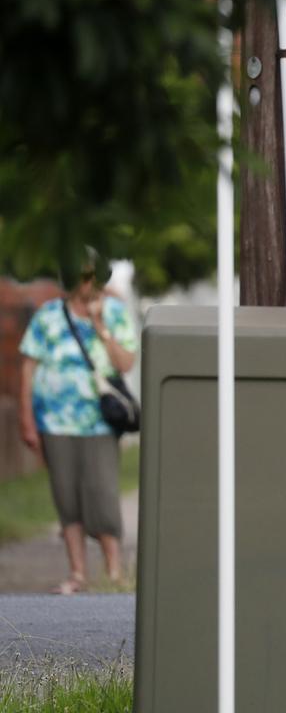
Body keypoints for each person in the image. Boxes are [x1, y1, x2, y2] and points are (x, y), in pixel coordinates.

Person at [17, 251, 138, 594]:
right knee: (66, 496)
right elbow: (28, 366)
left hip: (99, 421)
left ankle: (114, 572)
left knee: (102, 492)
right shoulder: (48, 316)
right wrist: (26, 417)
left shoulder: (114, 313)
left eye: (94, 275)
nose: (89, 282)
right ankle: (78, 573)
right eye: (83, 274)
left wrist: (100, 328)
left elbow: (126, 363)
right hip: (53, 421)